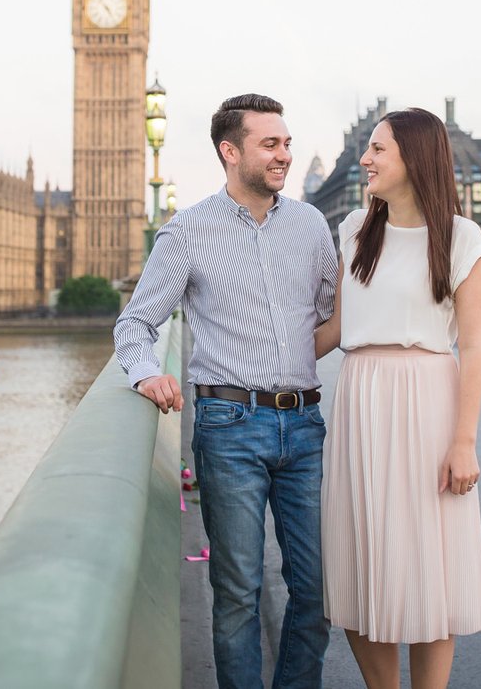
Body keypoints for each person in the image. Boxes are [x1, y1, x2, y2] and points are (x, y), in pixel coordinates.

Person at [113, 93, 338, 689]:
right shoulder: (187, 230)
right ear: (229, 151)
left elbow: (331, 314)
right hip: (228, 426)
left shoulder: (313, 226)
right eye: (270, 144)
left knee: (316, 589)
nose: (284, 155)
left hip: (306, 426)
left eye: (287, 143)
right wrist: (145, 372)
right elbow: (136, 323)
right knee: (237, 592)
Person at [315, 107, 481, 689]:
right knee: (361, 562)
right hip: (360, 402)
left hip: (427, 406)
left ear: (413, 159)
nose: (365, 160)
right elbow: (336, 329)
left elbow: (473, 350)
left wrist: (463, 442)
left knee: (428, 568)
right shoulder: (352, 229)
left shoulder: (463, 240)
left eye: (377, 150)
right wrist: (249, 364)